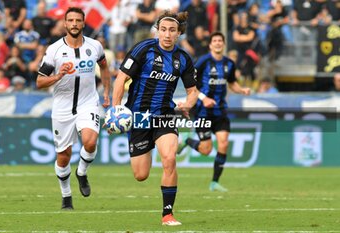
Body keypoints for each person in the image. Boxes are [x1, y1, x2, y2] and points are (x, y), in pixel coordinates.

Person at [110, 11, 198, 226]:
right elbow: (121, 79)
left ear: (178, 34)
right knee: (141, 175)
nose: (167, 34)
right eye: (164, 29)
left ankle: (167, 214)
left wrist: (188, 104)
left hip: (165, 115)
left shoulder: (183, 58)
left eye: (172, 31)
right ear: (157, 30)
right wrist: (116, 108)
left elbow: (193, 91)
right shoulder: (143, 49)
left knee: (169, 159)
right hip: (138, 116)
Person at [36, 7, 111, 210]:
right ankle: (66, 196)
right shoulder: (54, 50)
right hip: (62, 108)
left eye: (78, 20)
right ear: (65, 23)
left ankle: (82, 172)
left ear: (83, 23)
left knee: (90, 141)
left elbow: (104, 67)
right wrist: (58, 76)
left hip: (88, 103)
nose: (75, 24)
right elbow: (40, 82)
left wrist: (106, 93)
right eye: (71, 20)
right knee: (63, 156)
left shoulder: (95, 46)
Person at [177, 31, 251, 192]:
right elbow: (191, 85)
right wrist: (203, 98)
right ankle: (187, 141)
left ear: (223, 44)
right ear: (210, 44)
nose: (217, 43)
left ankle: (214, 182)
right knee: (206, 150)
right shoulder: (203, 62)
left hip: (220, 111)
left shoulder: (229, 64)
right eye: (215, 40)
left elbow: (232, 83)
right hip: (203, 112)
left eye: (220, 40)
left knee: (223, 143)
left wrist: (242, 90)